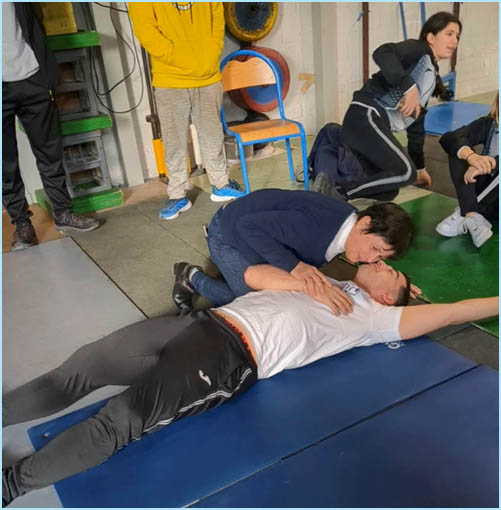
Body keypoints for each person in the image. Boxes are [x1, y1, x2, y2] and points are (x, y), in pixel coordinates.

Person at [2, 260, 498, 506]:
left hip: (230, 358)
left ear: (391, 297)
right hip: (201, 322)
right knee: (81, 367)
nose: (383, 264)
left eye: (392, 271)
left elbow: (452, 311)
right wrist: (304, 281)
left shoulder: (376, 318)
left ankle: (10, 484)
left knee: (119, 420)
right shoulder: (326, 278)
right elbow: (255, 275)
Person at [172, 188, 415, 312]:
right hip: (228, 232)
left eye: (381, 257)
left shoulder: (351, 224)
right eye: (375, 249)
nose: (372, 259)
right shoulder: (314, 228)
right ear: (365, 223)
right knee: (250, 301)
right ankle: (191, 277)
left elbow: (371, 254)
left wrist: (396, 286)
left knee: (286, 286)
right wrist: (295, 267)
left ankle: (232, 273)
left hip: (258, 228)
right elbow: (247, 227)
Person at [313, 11, 462, 202]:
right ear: (431, 37)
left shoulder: (430, 74)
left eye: (457, 36)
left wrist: (420, 168)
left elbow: (416, 124)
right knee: (404, 172)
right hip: (365, 115)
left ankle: (331, 184)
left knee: (389, 189)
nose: (454, 41)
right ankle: (338, 192)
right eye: (449, 34)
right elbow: (382, 52)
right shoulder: (419, 50)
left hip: (367, 127)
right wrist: (409, 88)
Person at [128, 2, 245, 221]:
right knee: (174, 141)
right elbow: (146, 31)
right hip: (170, 79)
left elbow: (217, 16)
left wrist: (211, 53)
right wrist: (181, 57)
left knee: (212, 134)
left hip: (208, 76)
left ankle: (221, 184)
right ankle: (177, 194)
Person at [2, 2, 100, 252]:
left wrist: (45, 75)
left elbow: (35, 20)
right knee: (5, 164)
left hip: (32, 77)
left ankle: (63, 212)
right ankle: (22, 225)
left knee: (49, 152)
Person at [435, 93, 498, 247]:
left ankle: (466, 213)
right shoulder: (490, 124)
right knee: (458, 150)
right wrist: (471, 157)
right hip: (488, 201)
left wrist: (491, 164)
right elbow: (449, 137)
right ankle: (471, 214)